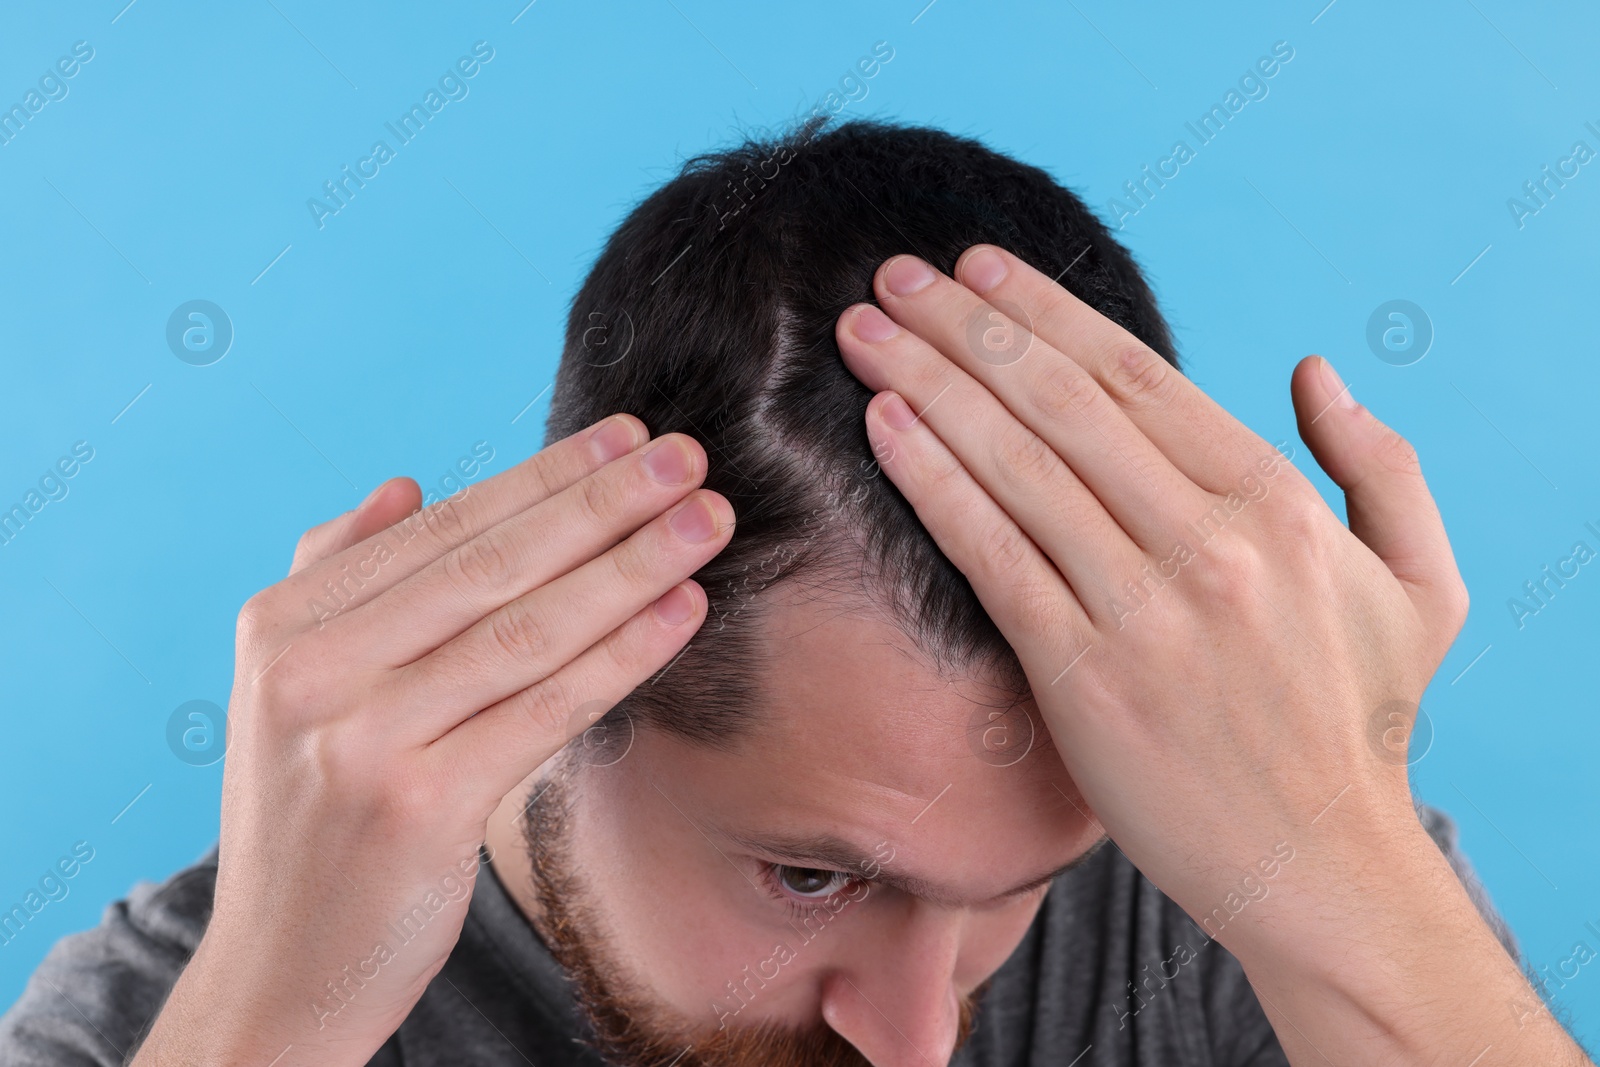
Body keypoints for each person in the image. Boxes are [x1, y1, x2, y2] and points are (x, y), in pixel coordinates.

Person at [0, 117, 1588, 1067]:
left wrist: (1349, 839)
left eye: (1022, 888)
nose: (922, 1041)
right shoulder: (177, 1014)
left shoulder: (1259, 887)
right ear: (565, 696)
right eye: (812, 880)